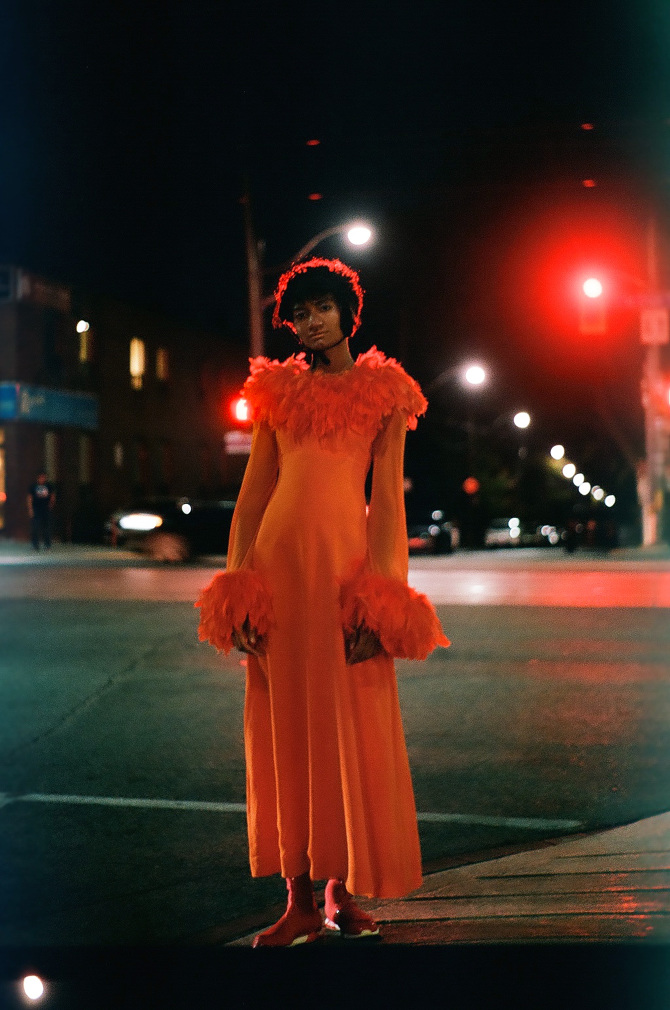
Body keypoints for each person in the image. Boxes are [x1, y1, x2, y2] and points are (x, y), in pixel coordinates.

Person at [196, 258, 449, 947]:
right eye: (299, 314)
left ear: (347, 312)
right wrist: (237, 587)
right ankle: (299, 901)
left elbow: (388, 502)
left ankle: (342, 894)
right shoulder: (275, 393)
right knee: (285, 730)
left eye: (321, 308)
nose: (310, 323)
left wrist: (383, 599)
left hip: (342, 574)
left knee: (349, 727)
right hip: (278, 574)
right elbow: (254, 494)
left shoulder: (388, 393)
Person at [27, 471, 55, 550]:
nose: (42, 479)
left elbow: (52, 496)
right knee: (35, 527)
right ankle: (35, 544)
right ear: (38, 478)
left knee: (46, 527)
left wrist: (51, 505)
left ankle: (47, 544)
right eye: (41, 477)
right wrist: (30, 509)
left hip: (45, 509)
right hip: (36, 509)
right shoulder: (33, 486)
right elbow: (29, 498)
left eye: (44, 477)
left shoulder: (49, 486)